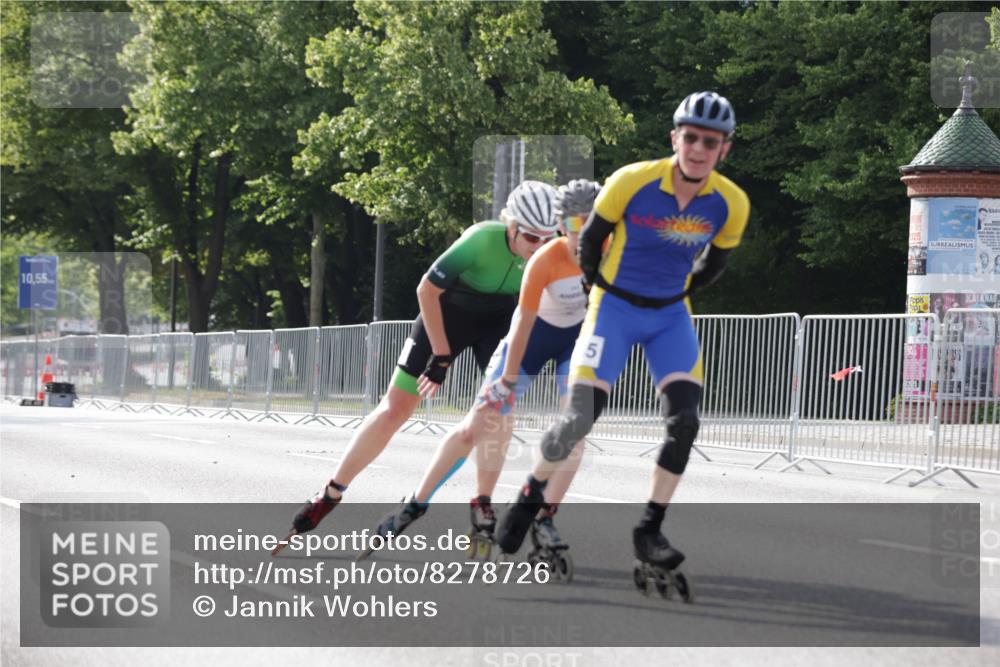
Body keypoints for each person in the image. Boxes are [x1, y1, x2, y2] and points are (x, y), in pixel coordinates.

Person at [495, 91, 751, 578]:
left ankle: (649, 529)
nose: (698, 148)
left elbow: (715, 265)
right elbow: (590, 242)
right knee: (580, 418)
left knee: (685, 422)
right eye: (691, 137)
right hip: (612, 308)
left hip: (670, 316)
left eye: (710, 141)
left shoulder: (730, 203)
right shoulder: (631, 182)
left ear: (725, 149)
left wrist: (670, 293)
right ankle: (531, 494)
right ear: (676, 138)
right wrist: (601, 290)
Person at [273, 180, 560, 554]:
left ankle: (482, 501)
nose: (538, 247)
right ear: (511, 224)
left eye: (546, 238)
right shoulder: (480, 239)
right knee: (396, 407)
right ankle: (332, 491)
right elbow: (427, 289)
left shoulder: (549, 250)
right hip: (449, 314)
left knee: (500, 409)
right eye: (531, 238)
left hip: (499, 320)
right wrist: (440, 355)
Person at [365, 180, 602, 561]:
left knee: (577, 426)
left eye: (592, 226)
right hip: (530, 339)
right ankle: (416, 502)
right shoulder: (547, 257)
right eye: (573, 226)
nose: (581, 235)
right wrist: (507, 380)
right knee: (477, 426)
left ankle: (545, 519)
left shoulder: (614, 252)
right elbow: (523, 320)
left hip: (574, 342)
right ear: (562, 225)